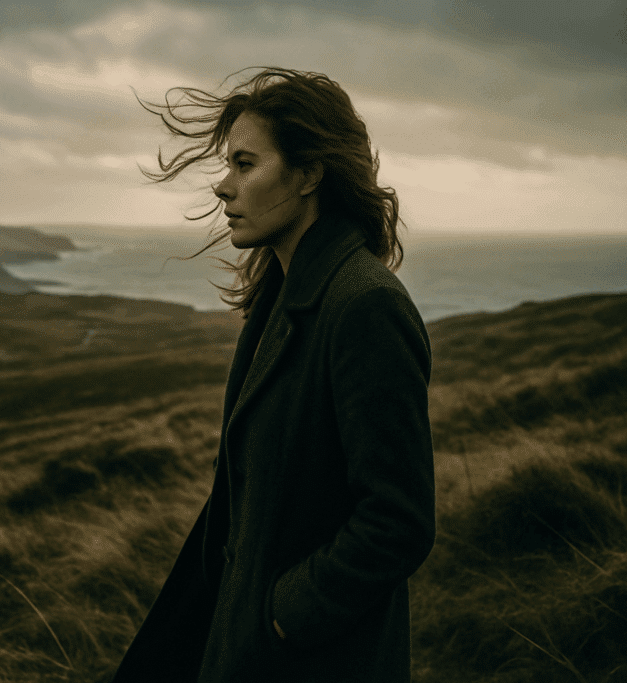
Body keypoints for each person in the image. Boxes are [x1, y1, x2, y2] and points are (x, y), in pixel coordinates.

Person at [110, 67, 436, 683]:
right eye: (227, 166)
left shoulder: (365, 306)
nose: (223, 187)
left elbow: (398, 522)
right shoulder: (284, 296)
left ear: (309, 174)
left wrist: (282, 617)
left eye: (245, 164)